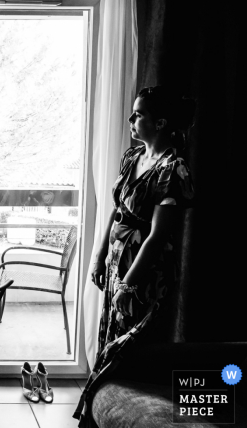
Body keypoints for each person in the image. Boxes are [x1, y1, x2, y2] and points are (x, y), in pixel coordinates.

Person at [74, 86, 195, 425]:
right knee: (109, 334)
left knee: (130, 347)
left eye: (138, 114)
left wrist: (128, 286)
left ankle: (131, 414)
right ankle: (100, 413)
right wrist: (99, 258)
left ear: (160, 123)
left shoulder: (175, 169)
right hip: (117, 263)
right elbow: (115, 213)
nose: (131, 119)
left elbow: (157, 236)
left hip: (144, 272)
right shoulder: (133, 158)